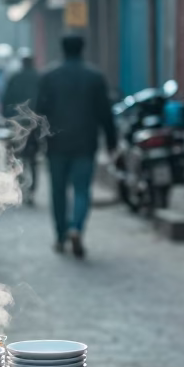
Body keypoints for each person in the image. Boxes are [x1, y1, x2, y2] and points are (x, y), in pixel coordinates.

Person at [36, 34, 116, 258]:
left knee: (58, 191)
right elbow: (105, 113)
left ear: (62, 49)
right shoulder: (95, 77)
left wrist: (35, 140)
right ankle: (76, 228)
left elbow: (39, 112)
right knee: (82, 190)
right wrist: (111, 141)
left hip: (57, 144)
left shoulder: (49, 76)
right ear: (83, 49)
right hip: (85, 143)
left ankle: (61, 236)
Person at [3, 54, 41, 204]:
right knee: (33, 158)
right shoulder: (39, 78)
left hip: (16, 122)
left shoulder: (15, 78)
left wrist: (6, 118)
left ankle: (19, 187)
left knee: (16, 156)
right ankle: (32, 191)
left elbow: (6, 99)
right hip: (34, 123)